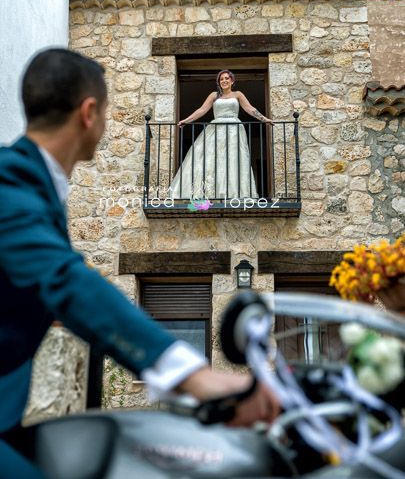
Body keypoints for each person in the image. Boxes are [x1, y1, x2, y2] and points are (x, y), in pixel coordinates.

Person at [0, 49, 279, 477]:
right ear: (89, 113)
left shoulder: (28, 184)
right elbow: (67, 282)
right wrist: (195, 376)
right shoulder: (11, 188)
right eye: (108, 111)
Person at [169, 70, 273, 200]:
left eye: (226, 78)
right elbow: (201, 110)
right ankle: (210, 193)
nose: (224, 81)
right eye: (221, 79)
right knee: (211, 159)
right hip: (216, 130)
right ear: (219, 83)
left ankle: (232, 193)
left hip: (234, 131)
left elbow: (250, 109)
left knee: (233, 160)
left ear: (232, 81)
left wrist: (265, 119)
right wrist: (186, 120)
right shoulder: (214, 95)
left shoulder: (238, 94)